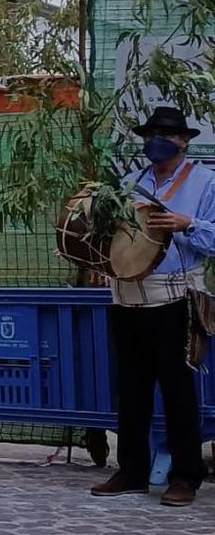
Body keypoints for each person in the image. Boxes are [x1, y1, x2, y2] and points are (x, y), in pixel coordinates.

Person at [92, 107, 215, 506]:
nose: (155, 141)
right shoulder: (133, 182)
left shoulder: (205, 182)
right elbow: (114, 234)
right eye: (151, 134)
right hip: (129, 297)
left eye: (166, 134)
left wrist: (187, 224)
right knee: (130, 389)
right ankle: (131, 470)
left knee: (178, 390)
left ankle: (186, 475)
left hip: (176, 296)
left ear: (184, 141)